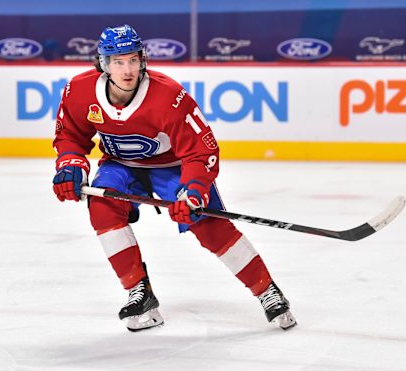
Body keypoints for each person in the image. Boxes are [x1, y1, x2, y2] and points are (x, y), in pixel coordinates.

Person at [52, 24, 296, 332]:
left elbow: (200, 152)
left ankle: (266, 290)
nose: (127, 69)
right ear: (103, 64)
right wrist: (71, 165)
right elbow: (71, 135)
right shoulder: (80, 90)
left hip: (174, 166)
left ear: (143, 60)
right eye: (118, 61)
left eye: (132, 60)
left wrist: (192, 191)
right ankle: (139, 293)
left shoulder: (169, 96)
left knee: (209, 226)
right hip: (121, 164)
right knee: (101, 205)